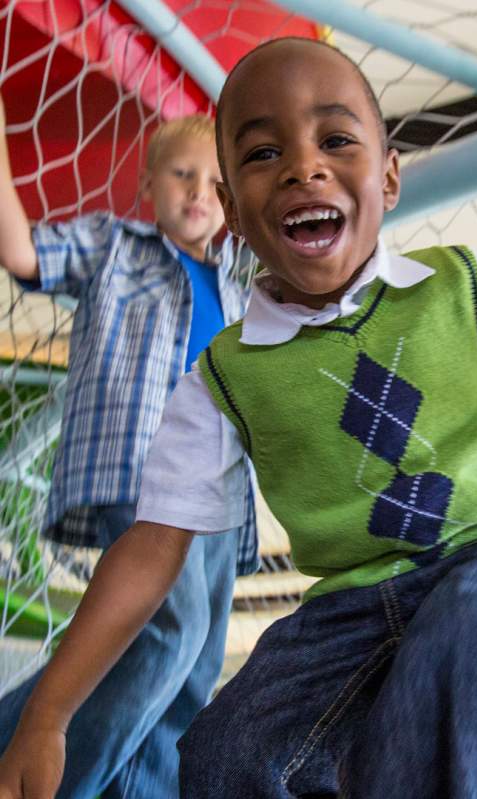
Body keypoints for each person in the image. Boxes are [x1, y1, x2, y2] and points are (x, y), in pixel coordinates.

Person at [2, 36, 477, 799]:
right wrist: (48, 714)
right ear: (234, 213)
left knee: (474, 642)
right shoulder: (223, 377)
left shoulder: (466, 286)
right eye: (264, 152)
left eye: (336, 140)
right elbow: (151, 546)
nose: (304, 166)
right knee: (220, 752)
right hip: (348, 604)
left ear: (392, 176)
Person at [0, 99, 256, 799]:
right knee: (165, 628)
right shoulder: (115, 247)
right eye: (181, 174)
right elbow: (22, 251)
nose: (199, 192)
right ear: (147, 186)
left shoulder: (239, 282)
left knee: (195, 665)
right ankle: (40, 777)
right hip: (136, 466)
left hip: (219, 494)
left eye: (215, 182)